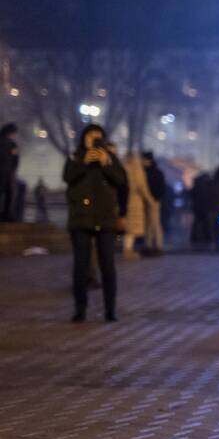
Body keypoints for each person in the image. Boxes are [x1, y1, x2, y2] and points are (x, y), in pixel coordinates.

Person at [64, 125, 126, 322]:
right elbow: (68, 177)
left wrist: (106, 162)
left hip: (105, 218)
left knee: (107, 265)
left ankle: (110, 309)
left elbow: (122, 181)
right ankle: (80, 308)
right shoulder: (76, 157)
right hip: (81, 218)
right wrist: (83, 162)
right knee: (80, 266)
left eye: (99, 138)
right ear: (84, 138)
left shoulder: (110, 158)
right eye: (91, 136)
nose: (95, 140)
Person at [121, 153, 151, 259]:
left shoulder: (123, 168)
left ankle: (127, 250)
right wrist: (149, 200)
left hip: (124, 200)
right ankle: (128, 251)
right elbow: (142, 186)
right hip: (135, 200)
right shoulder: (137, 170)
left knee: (127, 227)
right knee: (132, 229)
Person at [142, 152, 166, 255]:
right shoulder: (149, 172)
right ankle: (149, 245)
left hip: (154, 201)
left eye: (144, 160)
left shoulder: (154, 172)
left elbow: (161, 188)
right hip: (148, 200)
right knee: (149, 223)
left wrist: (155, 198)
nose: (142, 162)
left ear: (148, 160)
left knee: (154, 223)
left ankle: (157, 246)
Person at [0, 123, 19, 221]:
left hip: (4, 172)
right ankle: (7, 215)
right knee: (9, 194)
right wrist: (13, 170)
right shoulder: (12, 144)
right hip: (7, 172)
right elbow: (15, 158)